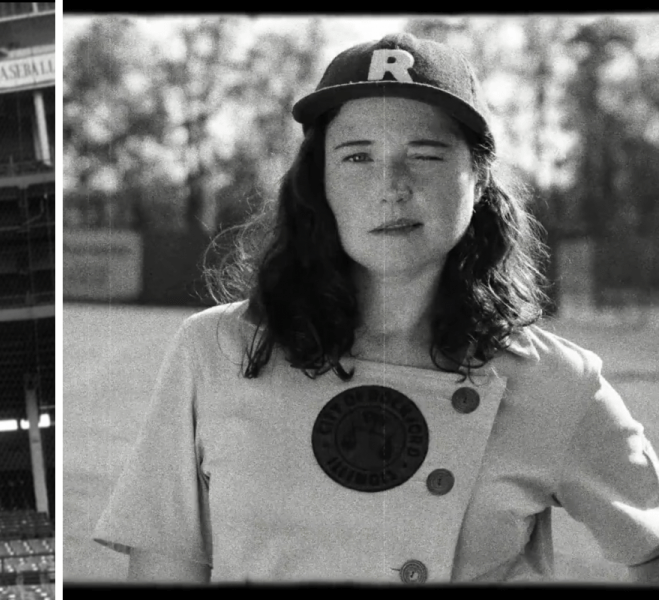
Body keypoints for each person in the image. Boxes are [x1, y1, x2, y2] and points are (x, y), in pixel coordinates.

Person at [93, 32, 659, 584]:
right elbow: (164, 567)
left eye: (426, 154)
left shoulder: (557, 382)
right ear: (320, 179)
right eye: (358, 156)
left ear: (479, 175)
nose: (391, 185)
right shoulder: (215, 350)